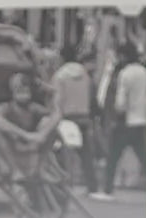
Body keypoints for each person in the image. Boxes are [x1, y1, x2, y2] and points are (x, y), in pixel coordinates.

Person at [0, 72, 66, 218]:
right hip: (7, 155)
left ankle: (39, 168)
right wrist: (26, 135)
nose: (22, 92)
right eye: (18, 89)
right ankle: (16, 172)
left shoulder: (33, 108)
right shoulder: (4, 108)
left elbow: (56, 116)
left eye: (25, 89)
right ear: (12, 91)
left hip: (30, 152)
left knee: (52, 128)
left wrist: (52, 96)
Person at [97, 41, 146, 198]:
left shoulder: (124, 74)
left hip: (126, 121)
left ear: (124, 56)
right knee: (144, 156)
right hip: (142, 120)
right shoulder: (145, 72)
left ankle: (107, 189)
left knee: (113, 156)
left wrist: (116, 113)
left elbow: (120, 102)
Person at [52, 39, 99, 193]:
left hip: (67, 118)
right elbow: (92, 96)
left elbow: (57, 99)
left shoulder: (59, 76)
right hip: (83, 117)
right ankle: (92, 186)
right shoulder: (85, 74)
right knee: (86, 154)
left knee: (61, 152)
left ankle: (63, 184)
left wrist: (55, 116)